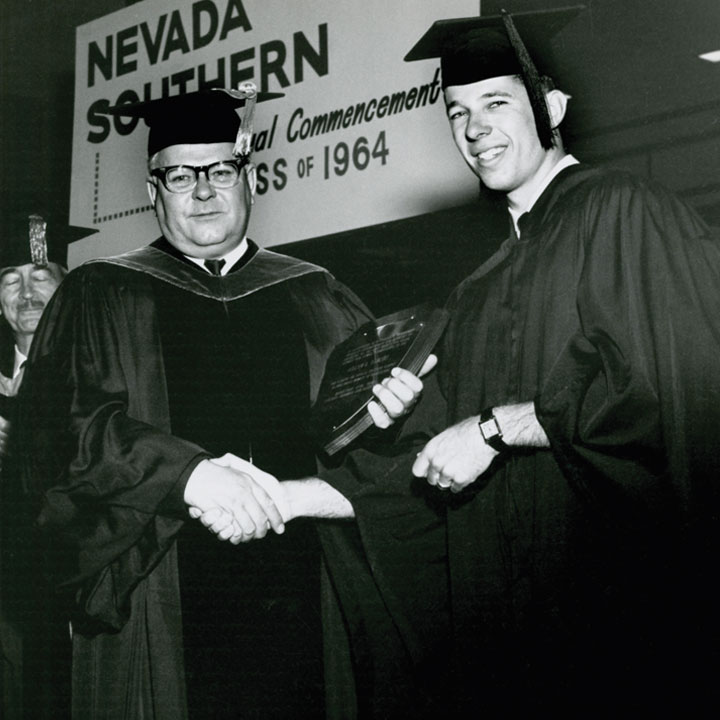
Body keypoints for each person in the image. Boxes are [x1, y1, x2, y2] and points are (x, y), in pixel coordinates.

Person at [217, 7, 720, 715]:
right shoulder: (476, 291)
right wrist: (293, 496)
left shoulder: (622, 212)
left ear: (551, 109)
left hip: (619, 636)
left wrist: (494, 427)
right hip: (516, 650)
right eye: (457, 112)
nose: (474, 128)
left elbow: (679, 393)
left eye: (496, 103)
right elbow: (426, 469)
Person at [17, 84, 429, 719]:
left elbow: (372, 449)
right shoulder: (100, 292)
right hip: (162, 595)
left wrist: (392, 414)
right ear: (153, 192)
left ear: (251, 179)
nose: (203, 191)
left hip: (308, 587)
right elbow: (58, 433)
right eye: (180, 176)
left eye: (220, 171)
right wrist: (187, 475)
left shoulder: (317, 293)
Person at [0, 212, 96, 720]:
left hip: (68, 595)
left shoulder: (98, 380)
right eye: (10, 280)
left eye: (40, 277)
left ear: (66, 289)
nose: (26, 293)